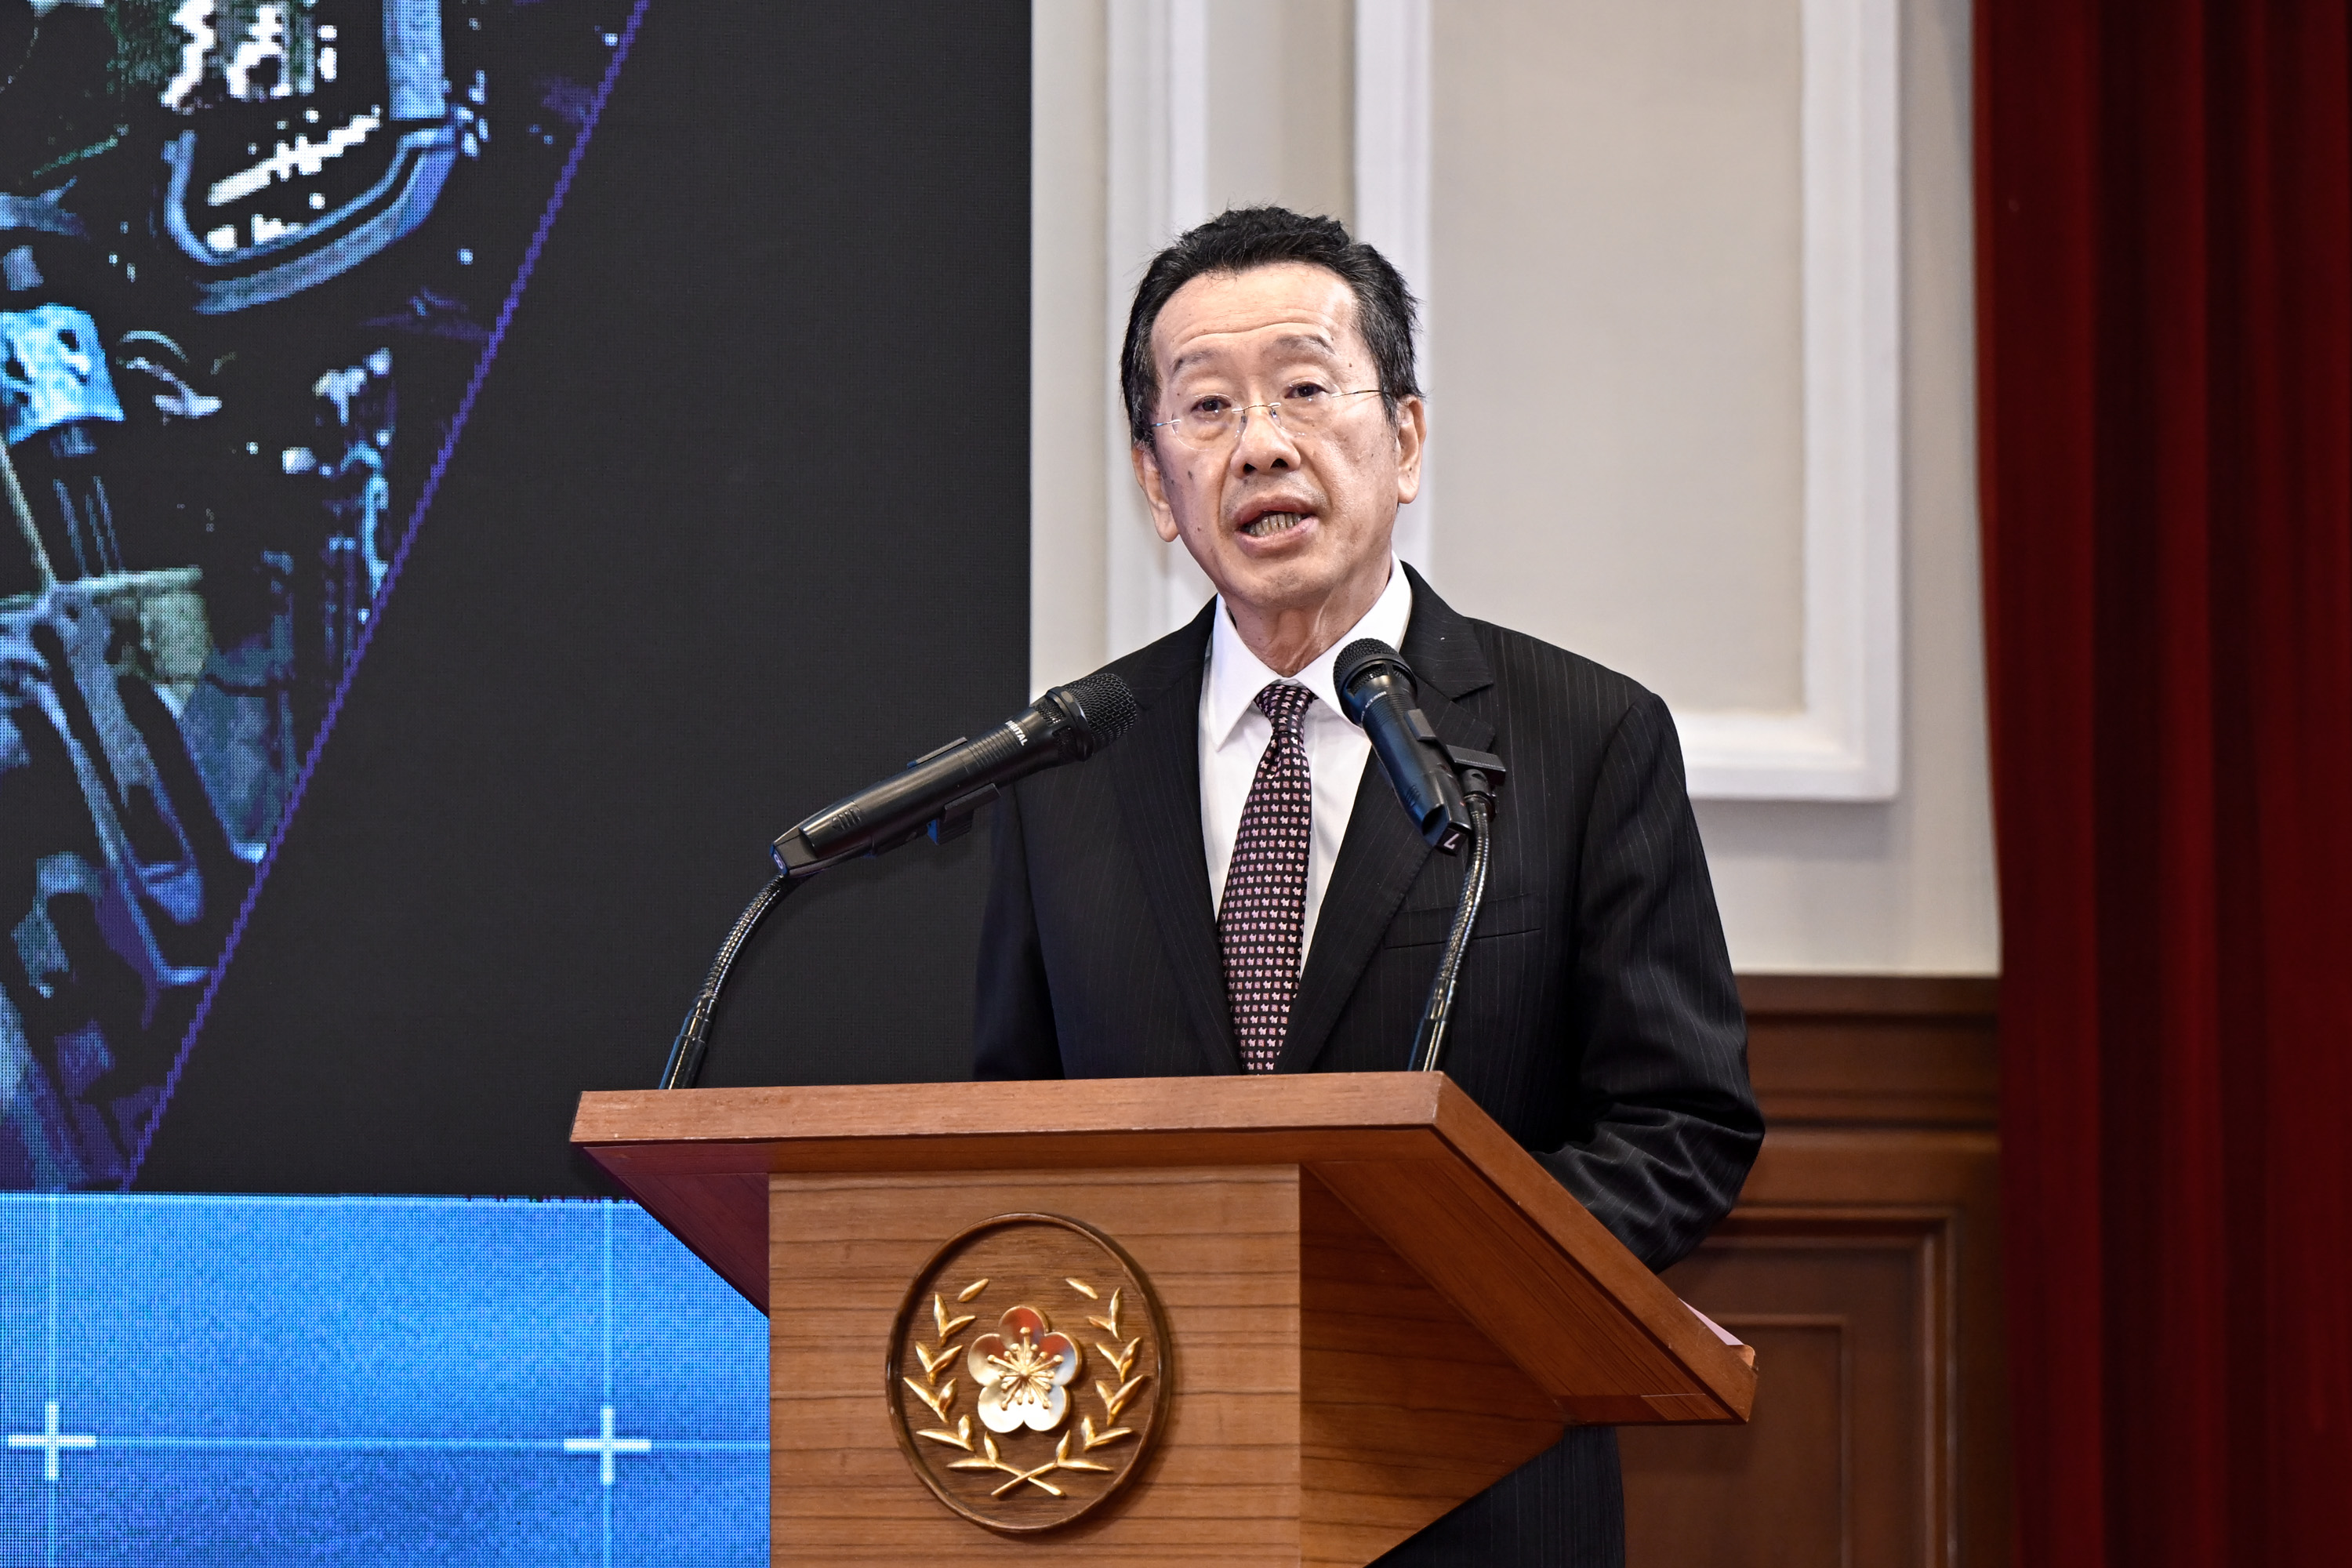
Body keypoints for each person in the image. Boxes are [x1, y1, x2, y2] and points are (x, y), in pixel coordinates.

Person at [975, 205, 1762, 1566]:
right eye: (1206, 407)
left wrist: (1435, 1286)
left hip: (1478, 1477)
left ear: (1403, 441)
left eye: (1304, 389)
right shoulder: (1066, 764)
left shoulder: (1583, 737)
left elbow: (1680, 1123)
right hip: (1144, 1494)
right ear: (1158, 483)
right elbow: (1016, 1129)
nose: (1260, 444)